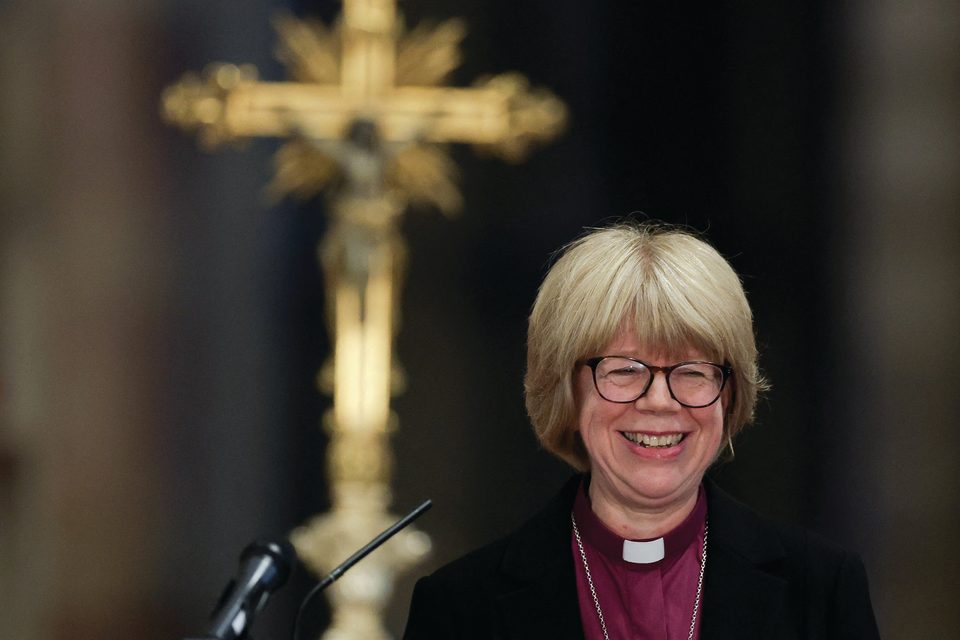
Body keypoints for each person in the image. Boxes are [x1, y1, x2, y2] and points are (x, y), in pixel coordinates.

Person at [403, 222, 880, 639]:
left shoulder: (821, 592)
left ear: (729, 393)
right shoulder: (460, 609)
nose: (659, 401)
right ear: (567, 390)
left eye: (693, 371)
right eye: (624, 370)